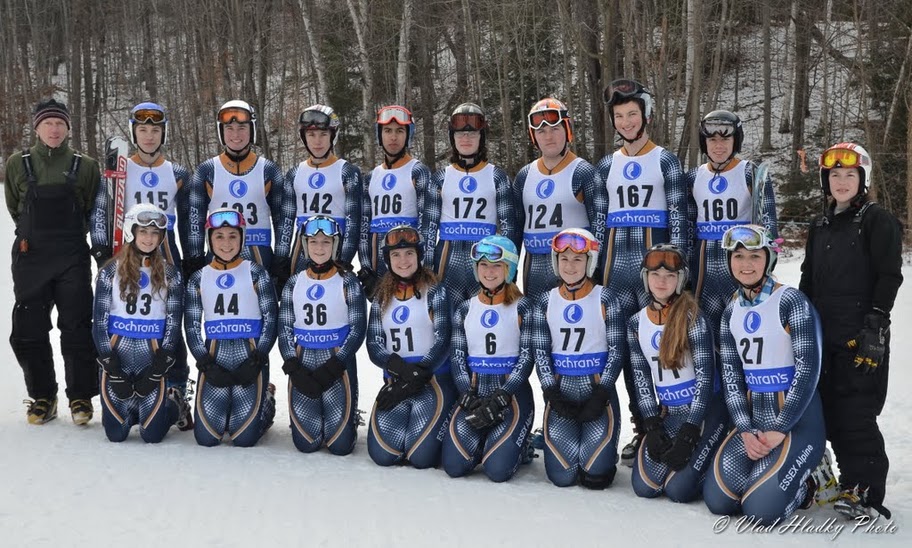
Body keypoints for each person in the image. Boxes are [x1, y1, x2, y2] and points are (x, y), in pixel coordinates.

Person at [799, 143, 903, 519]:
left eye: (849, 175)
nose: (841, 182)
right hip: (823, 335)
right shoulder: (820, 224)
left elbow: (889, 275)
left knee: (855, 416)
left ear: (863, 180)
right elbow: (808, 278)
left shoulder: (877, 220)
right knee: (825, 411)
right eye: (834, 175)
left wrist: (877, 322)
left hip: (860, 337)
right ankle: (833, 477)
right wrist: (798, 318)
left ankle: (865, 491)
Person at [704, 225, 826, 523]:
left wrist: (781, 427)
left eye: (755, 256)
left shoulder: (790, 301)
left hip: (796, 422)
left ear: (769, 260)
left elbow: (808, 369)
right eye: (738, 256)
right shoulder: (731, 310)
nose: (746, 264)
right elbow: (731, 378)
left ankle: (814, 478)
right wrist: (745, 430)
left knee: (761, 510)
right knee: (719, 501)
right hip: (755, 422)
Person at [597, 78, 687, 466]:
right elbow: (599, 224)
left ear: (646, 115)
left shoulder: (665, 160)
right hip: (616, 275)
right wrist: (595, 275)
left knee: (662, 352)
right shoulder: (606, 165)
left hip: (658, 278)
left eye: (632, 114)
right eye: (620, 116)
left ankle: (674, 424)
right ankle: (642, 427)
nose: (627, 122)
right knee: (627, 357)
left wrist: (681, 270)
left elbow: (680, 217)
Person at [5, 98, 100, 425]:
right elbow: (15, 207)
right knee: (29, 327)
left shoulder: (85, 166)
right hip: (31, 257)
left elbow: (91, 207)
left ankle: (80, 396)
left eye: (60, 123)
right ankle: (43, 396)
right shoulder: (18, 163)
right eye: (48, 123)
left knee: (76, 326)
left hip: (72, 256)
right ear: (37, 128)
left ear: (68, 128)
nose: (54, 129)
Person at [90, 101, 194, 396]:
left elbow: (189, 220)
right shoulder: (120, 169)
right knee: (121, 315)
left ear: (164, 134)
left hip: (166, 253)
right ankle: (118, 377)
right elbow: (101, 210)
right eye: (143, 130)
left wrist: (192, 256)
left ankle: (176, 386)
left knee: (170, 319)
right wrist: (101, 248)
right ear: (134, 133)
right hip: (127, 254)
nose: (149, 136)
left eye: (155, 130)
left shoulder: (177, 172)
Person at [627, 244, 728, 502]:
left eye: (670, 276)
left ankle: (716, 448)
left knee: (678, 491)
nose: (661, 282)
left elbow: (706, 379)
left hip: (704, 412)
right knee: (645, 487)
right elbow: (641, 380)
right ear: (645, 277)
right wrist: (651, 424)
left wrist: (690, 431)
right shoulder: (636, 323)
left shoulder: (693, 318)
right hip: (670, 412)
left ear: (680, 279)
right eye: (655, 274)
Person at [92, 204, 193, 442]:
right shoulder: (110, 272)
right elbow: (99, 323)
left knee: (152, 436)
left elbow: (173, 324)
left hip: (151, 360)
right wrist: (112, 368)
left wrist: (158, 368)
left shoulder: (171, 275)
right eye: (144, 231)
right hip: (118, 360)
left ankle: (175, 403)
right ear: (131, 231)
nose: (149, 238)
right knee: (116, 434)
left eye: (155, 233)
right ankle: (134, 410)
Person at [534, 228, 625, 489]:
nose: (570, 266)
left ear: (590, 262)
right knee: (562, 477)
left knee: (595, 478)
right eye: (564, 259)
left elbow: (617, 350)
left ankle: (605, 453)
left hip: (597, 394)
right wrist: (551, 392)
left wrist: (602, 391)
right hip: (561, 394)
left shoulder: (605, 298)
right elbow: (540, 352)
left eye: (577, 259)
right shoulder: (545, 301)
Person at [441, 235, 534, 482]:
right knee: (454, 467)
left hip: (510, 398)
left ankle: (517, 446)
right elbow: (457, 356)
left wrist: (503, 396)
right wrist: (467, 395)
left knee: (497, 471)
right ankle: (484, 444)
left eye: (496, 266)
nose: (489, 272)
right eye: (483, 265)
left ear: (509, 269)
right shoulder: (465, 308)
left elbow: (527, 358)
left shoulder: (523, 307)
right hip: (475, 394)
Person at [184, 208, 277, 447]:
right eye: (219, 236)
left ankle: (266, 399)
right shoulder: (198, 278)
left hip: (250, 359)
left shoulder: (256, 272)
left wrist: (258, 358)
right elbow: (192, 326)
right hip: (216, 359)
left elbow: (271, 318)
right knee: (207, 438)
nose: (226, 243)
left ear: (242, 237)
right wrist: (205, 362)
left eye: (233, 236)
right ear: (210, 240)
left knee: (244, 439)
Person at [365, 225, 455, 468]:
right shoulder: (381, 296)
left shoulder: (435, 291)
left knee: (421, 458)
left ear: (419, 255)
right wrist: (402, 372)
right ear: (388, 260)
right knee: (383, 455)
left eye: (409, 253)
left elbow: (443, 340)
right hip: (397, 382)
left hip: (432, 381)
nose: (403, 261)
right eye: (396, 255)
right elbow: (374, 344)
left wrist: (417, 373)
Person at [688, 109, 777, 344]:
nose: (718, 146)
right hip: (704, 268)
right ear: (704, 143)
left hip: (739, 264)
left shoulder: (749, 172)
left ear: (735, 141)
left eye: (725, 139)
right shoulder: (693, 176)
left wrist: (766, 265)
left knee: (740, 330)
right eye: (712, 140)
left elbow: (768, 223)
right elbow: (687, 226)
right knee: (706, 335)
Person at [279, 215, 366, 455]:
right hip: (304, 361)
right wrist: (293, 366)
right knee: (306, 444)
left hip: (337, 364)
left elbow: (358, 328)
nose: (319, 248)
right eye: (313, 242)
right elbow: (284, 328)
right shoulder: (294, 282)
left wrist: (336, 364)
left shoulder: (348, 281)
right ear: (305, 245)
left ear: (335, 246)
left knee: (340, 447)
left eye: (326, 242)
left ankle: (350, 417)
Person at [514, 98, 607, 303]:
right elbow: (515, 229)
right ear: (533, 136)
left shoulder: (583, 172)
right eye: (541, 131)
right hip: (535, 269)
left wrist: (595, 271)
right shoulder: (524, 176)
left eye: (555, 129)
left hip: (573, 267)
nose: (548, 137)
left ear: (567, 130)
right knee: (536, 321)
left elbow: (600, 227)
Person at [186, 100, 286, 279]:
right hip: (219, 253)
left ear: (252, 130)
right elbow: (195, 220)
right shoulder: (207, 170)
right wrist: (195, 257)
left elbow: (281, 220)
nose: (236, 135)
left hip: (259, 255)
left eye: (242, 128)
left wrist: (281, 257)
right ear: (221, 132)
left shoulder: (268, 170)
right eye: (229, 129)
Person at [430, 103, 518, 304]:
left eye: (472, 133)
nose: (466, 138)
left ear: (482, 137)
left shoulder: (497, 177)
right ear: (452, 138)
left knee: (483, 318)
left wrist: (510, 269)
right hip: (447, 263)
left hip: (485, 262)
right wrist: (426, 269)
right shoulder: (440, 178)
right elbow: (428, 229)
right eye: (460, 134)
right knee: (448, 320)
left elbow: (508, 228)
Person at [276, 105, 362, 287]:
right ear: (303, 137)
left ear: (333, 135)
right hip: (302, 252)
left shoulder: (347, 172)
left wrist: (345, 258)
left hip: (335, 248)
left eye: (323, 134)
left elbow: (353, 221)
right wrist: (281, 258)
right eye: (311, 135)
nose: (317, 141)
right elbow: (286, 221)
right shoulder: (294, 174)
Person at [358, 106, 435, 300]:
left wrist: (423, 265)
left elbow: (427, 224)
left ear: (408, 135)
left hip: (408, 263)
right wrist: (366, 267)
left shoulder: (418, 171)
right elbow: (364, 228)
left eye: (400, 131)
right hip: (379, 265)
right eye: (387, 131)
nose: (393, 137)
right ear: (380, 134)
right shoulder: (371, 178)